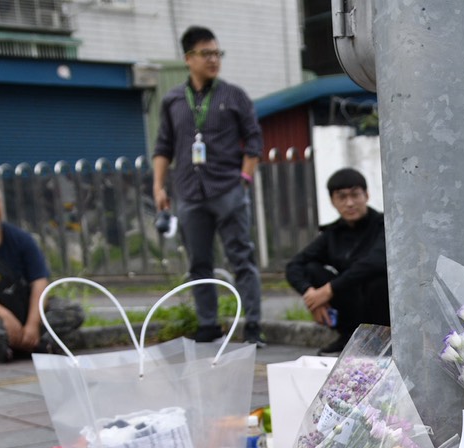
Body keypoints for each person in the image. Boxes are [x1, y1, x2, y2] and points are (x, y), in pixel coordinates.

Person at [152, 26, 264, 345]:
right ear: (188, 58)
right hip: (189, 193)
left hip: (228, 189)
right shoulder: (173, 99)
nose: (214, 60)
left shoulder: (234, 96)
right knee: (199, 263)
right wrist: (159, 186)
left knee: (242, 258)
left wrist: (244, 178)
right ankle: (207, 324)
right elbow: (163, 146)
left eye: (217, 53)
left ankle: (253, 324)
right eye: (206, 54)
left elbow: (254, 138)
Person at [0, 176, 84, 363]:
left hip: (26, 309)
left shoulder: (22, 239)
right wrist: (4, 316)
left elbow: (40, 282)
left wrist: (33, 323)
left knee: (72, 311)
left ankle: (23, 342)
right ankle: (22, 343)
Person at [284, 168, 391, 354]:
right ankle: (349, 336)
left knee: (376, 280)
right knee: (311, 269)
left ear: (366, 195)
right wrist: (312, 296)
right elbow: (294, 265)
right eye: (341, 197)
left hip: (381, 309)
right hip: (350, 306)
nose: (349, 203)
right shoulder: (332, 234)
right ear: (333, 201)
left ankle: (380, 339)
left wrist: (328, 290)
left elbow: (376, 261)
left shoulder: (383, 224)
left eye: (355, 195)